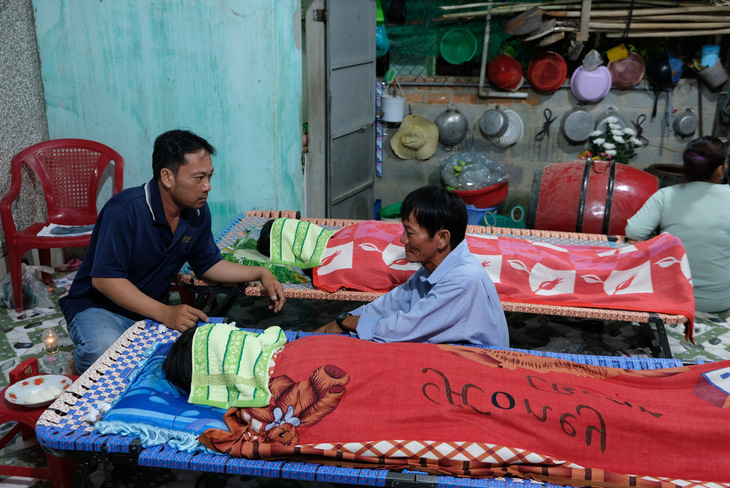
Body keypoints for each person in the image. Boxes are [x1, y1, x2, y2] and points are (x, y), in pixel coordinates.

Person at [60, 129, 286, 374]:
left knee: (196, 360)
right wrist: (164, 312)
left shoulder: (197, 212)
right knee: (103, 352)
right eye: (198, 178)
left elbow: (209, 265)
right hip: (101, 309)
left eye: (209, 176)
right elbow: (105, 280)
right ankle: (77, 364)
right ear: (167, 177)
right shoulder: (125, 210)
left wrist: (260, 273)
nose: (207, 186)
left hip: (147, 310)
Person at [314, 185, 509, 347]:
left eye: (410, 232)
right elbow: (390, 304)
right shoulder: (431, 269)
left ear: (442, 238)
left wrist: (347, 323)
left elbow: (404, 329)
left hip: (479, 367)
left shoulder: (463, 279)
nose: (402, 239)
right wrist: (339, 322)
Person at [625, 136, 730, 313]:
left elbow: (634, 231)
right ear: (719, 171)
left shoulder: (666, 195)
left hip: (672, 296)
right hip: (718, 301)